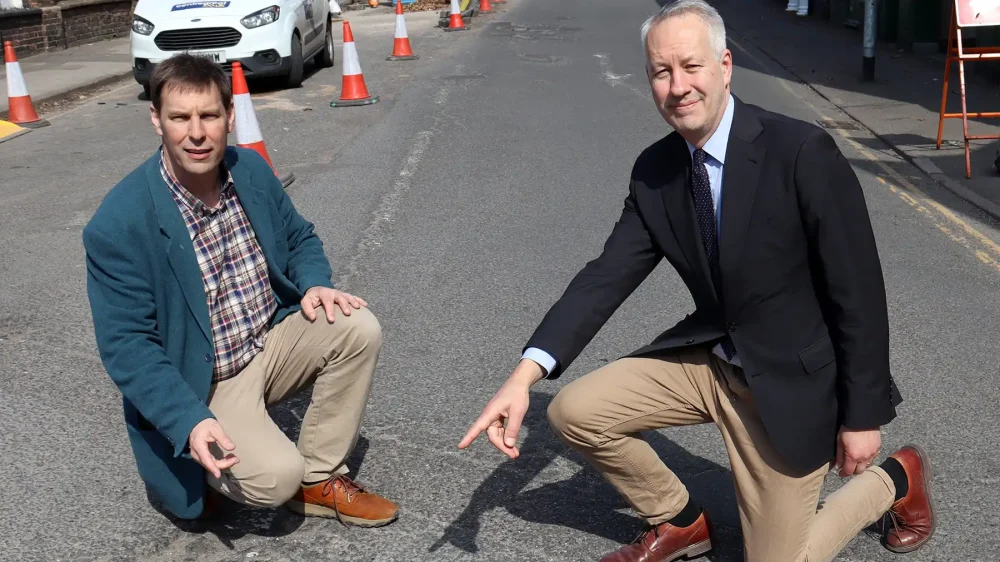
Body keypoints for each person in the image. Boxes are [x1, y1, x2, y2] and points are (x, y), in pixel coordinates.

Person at [458, 1, 935, 560]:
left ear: (725, 66)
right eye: (662, 73)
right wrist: (523, 378)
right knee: (573, 412)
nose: (678, 86)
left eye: (692, 66)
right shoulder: (656, 170)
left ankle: (895, 481)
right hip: (713, 360)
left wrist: (862, 417)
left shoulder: (801, 152)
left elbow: (859, 292)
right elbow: (606, 276)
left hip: (790, 380)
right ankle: (679, 520)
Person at [83, 54, 398, 527]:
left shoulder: (247, 169)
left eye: (209, 116)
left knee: (357, 327)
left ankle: (320, 476)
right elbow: (127, 346)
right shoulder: (119, 223)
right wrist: (188, 419)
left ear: (229, 116)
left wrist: (316, 284)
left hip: (265, 343)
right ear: (156, 120)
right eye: (179, 118)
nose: (196, 133)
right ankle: (201, 463)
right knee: (275, 478)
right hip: (203, 380)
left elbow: (298, 238)